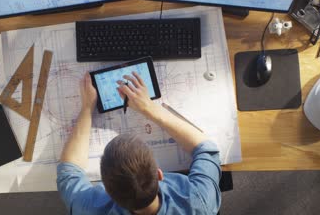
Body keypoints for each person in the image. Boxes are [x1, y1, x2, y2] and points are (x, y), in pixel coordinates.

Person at [57, 72, 222, 214]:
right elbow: (206, 149)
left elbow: (69, 171)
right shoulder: (201, 203)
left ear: (107, 190)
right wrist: (148, 108)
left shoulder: (88, 210)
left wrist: (87, 107)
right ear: (159, 175)